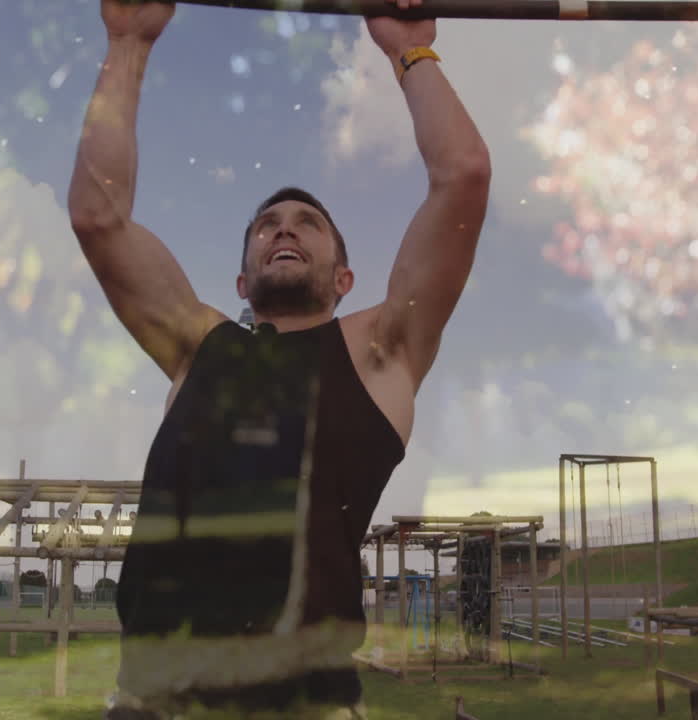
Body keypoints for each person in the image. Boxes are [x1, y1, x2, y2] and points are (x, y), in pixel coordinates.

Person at [68, 0, 490, 716]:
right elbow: (97, 216)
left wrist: (410, 52)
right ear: (241, 280)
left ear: (344, 276)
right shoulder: (196, 344)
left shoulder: (380, 351)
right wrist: (129, 42)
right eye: (266, 225)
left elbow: (464, 177)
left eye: (307, 224)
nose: (283, 229)